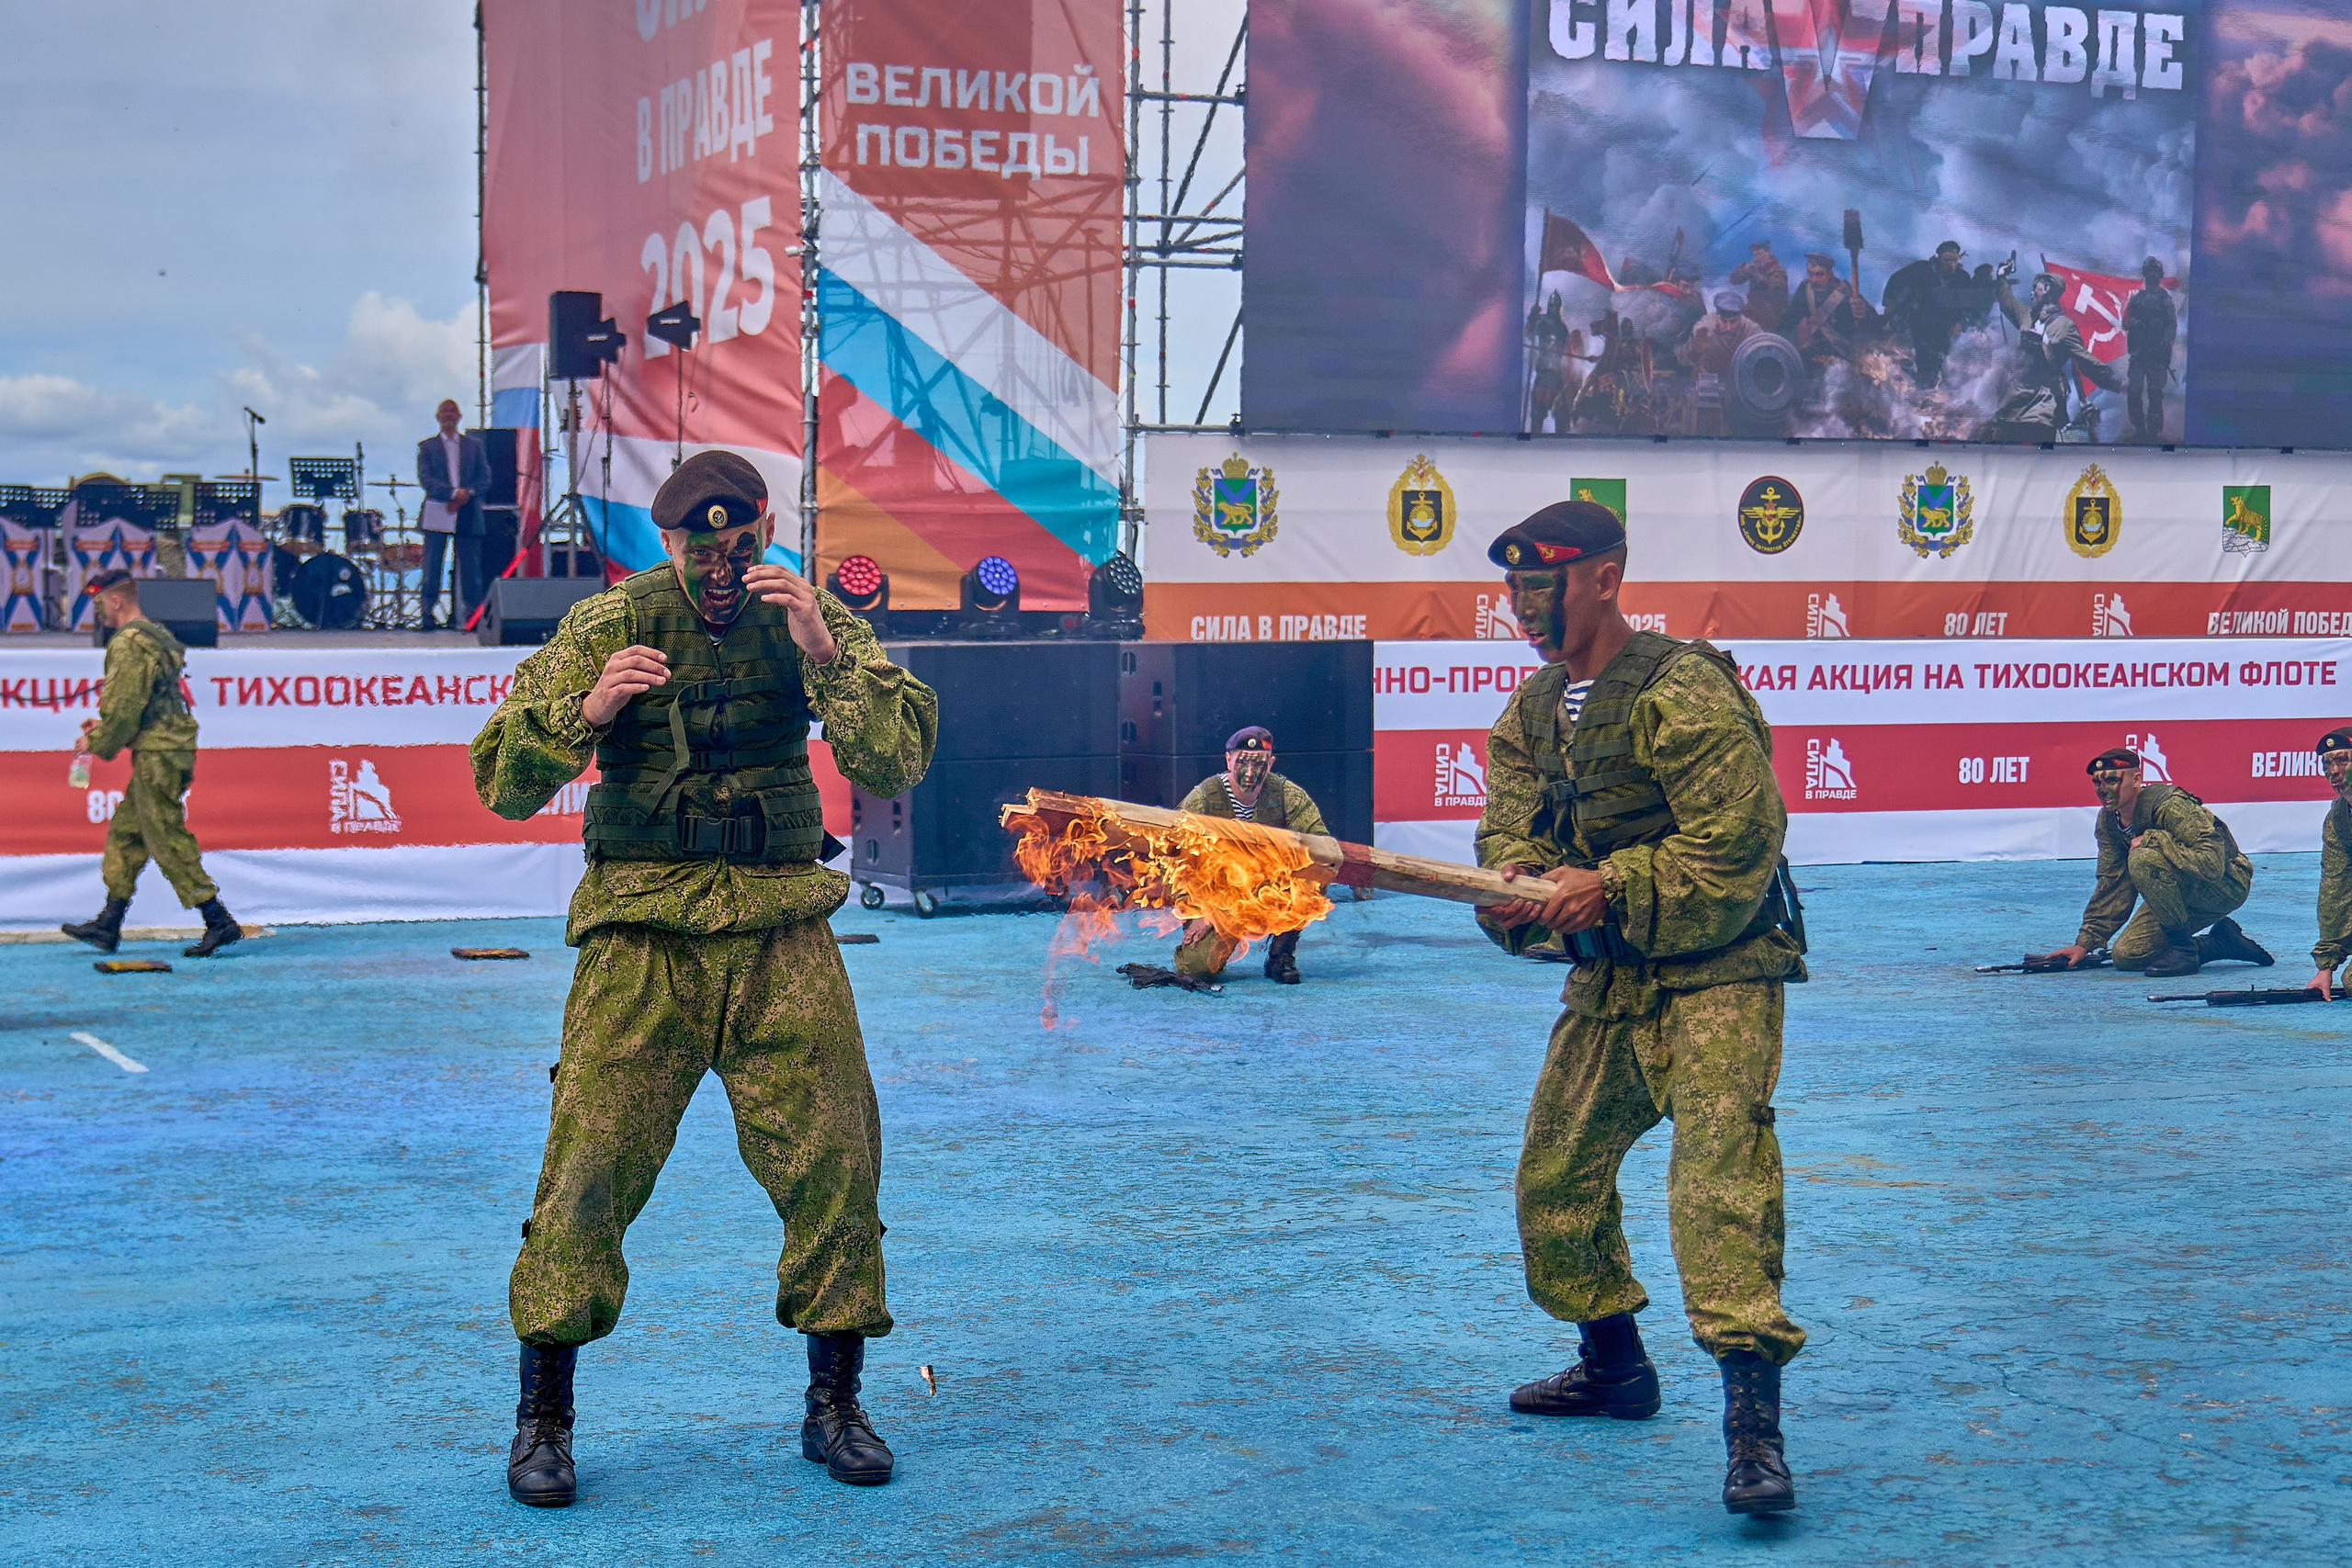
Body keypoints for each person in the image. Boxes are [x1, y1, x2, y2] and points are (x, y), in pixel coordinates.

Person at [469, 449, 938, 1506]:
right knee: (587, 1169)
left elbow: (897, 761)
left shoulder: (807, 615)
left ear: (766, 529)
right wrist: (585, 712)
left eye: (742, 546)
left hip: (780, 929)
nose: (725, 568)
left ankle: (835, 1407)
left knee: (835, 1164)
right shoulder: (608, 623)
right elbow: (498, 775)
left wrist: (824, 654)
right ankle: (543, 1419)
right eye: (701, 549)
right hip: (645, 935)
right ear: (665, 544)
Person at [1473, 499, 1808, 1516]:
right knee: (1554, 1172)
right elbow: (1505, 836)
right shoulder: (1531, 714)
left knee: (1718, 1186)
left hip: (1718, 971)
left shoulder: (1682, 689)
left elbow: (1735, 850)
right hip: (1610, 978)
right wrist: (1516, 887)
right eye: (1514, 592)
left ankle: (1753, 1434)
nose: (1525, 611)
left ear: (1605, 580)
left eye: (1544, 589)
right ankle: (1614, 1369)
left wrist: (1609, 884)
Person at [60, 570, 243, 959]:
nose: (96, 614)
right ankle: (109, 923)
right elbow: (146, 702)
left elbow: (125, 711)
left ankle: (218, 919)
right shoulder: (156, 634)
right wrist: (107, 728)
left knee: (164, 834)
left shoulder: (127, 644)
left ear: (116, 600)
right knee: (128, 832)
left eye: (98, 605)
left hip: (159, 752)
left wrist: (94, 740)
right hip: (167, 746)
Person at [2033, 747, 2271, 977]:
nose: (2104, 790)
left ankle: (2185, 952)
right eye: (2098, 783)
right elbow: (2112, 884)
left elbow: (2211, 864)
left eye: (2112, 781)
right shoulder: (2109, 821)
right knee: (2127, 956)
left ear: (2136, 780)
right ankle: (2221, 943)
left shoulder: (2171, 806)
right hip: (2175, 893)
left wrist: (2154, 840)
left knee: (2143, 857)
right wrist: (2085, 944)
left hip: (2225, 885)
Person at [1171, 727, 1331, 985]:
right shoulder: (1203, 799)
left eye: (1258, 764)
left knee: (1318, 869)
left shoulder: (1287, 795)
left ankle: (1281, 955)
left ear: (1271, 764)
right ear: (1228, 760)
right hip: (1218, 899)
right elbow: (1176, 860)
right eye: (1242, 762)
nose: (1249, 773)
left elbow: (1320, 843)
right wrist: (1197, 911)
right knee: (1196, 968)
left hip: (1270, 889)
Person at [1993, 272, 2123, 443]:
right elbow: (2007, 303)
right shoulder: (2026, 317)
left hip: (2042, 402)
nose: (2032, 293)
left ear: (2047, 289)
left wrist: (2117, 383)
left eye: (2035, 288)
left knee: (2037, 451)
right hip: (2014, 400)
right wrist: (2001, 277)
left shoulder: (2064, 326)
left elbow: (2086, 362)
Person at [416, 398, 493, 630]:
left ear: (459, 417)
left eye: (453, 411)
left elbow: (485, 478)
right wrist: (451, 494)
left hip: (467, 511)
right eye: (444, 411)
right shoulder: (427, 447)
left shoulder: (474, 446)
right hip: (438, 509)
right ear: (438, 417)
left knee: (470, 566)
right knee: (432, 564)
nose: (449, 415)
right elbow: (426, 479)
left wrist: (465, 495)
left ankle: (471, 614)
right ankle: (427, 613)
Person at [1880, 241, 1986, 389]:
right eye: (1947, 260)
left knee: (1939, 368)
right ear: (1938, 259)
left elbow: (1969, 307)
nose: (1951, 264)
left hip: (1943, 328)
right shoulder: (1921, 269)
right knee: (1910, 359)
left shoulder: (1962, 278)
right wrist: (1890, 305)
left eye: (1954, 260)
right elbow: (1896, 281)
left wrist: (1961, 323)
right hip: (1916, 322)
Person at [2307, 728, 2352, 999]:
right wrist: (2326, 967)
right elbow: (2335, 888)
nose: (2334, 771)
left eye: (2343, 760)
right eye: (2327, 763)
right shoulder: (2338, 818)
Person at [1677, 292, 1759, 435]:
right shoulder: (1705, 326)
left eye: (1733, 322)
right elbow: (1681, 358)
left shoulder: (1751, 330)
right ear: (1717, 316)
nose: (1728, 327)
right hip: (1706, 394)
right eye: (1723, 321)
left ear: (1741, 317)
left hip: (1739, 396)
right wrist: (1695, 349)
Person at [2122, 258, 2177, 443]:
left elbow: (2171, 327)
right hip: (2138, 355)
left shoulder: (2165, 300)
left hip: (2157, 357)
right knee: (2134, 393)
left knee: (2155, 395)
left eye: (2155, 271)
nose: (2152, 274)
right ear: (2145, 274)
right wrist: (2140, 325)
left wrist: (2165, 345)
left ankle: (2153, 431)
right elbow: (2125, 322)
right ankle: (2139, 428)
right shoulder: (2136, 299)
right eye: (2149, 271)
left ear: (2159, 276)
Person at [1788, 252, 1869, 374]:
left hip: (1844, 359)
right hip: (1815, 355)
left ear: (1830, 273)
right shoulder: (1805, 289)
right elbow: (1789, 319)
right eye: (1810, 274)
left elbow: (1873, 323)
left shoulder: (1846, 292)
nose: (1814, 280)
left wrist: (1864, 313)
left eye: (1820, 275)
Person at [1729, 240, 1787, 333]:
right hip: (1753, 313)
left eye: (1760, 254)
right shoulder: (1755, 268)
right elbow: (1734, 280)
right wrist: (1743, 270)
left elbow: (1770, 289)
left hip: (1772, 316)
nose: (1757, 258)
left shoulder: (1779, 272)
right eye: (1755, 255)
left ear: (1768, 252)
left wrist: (1755, 274)